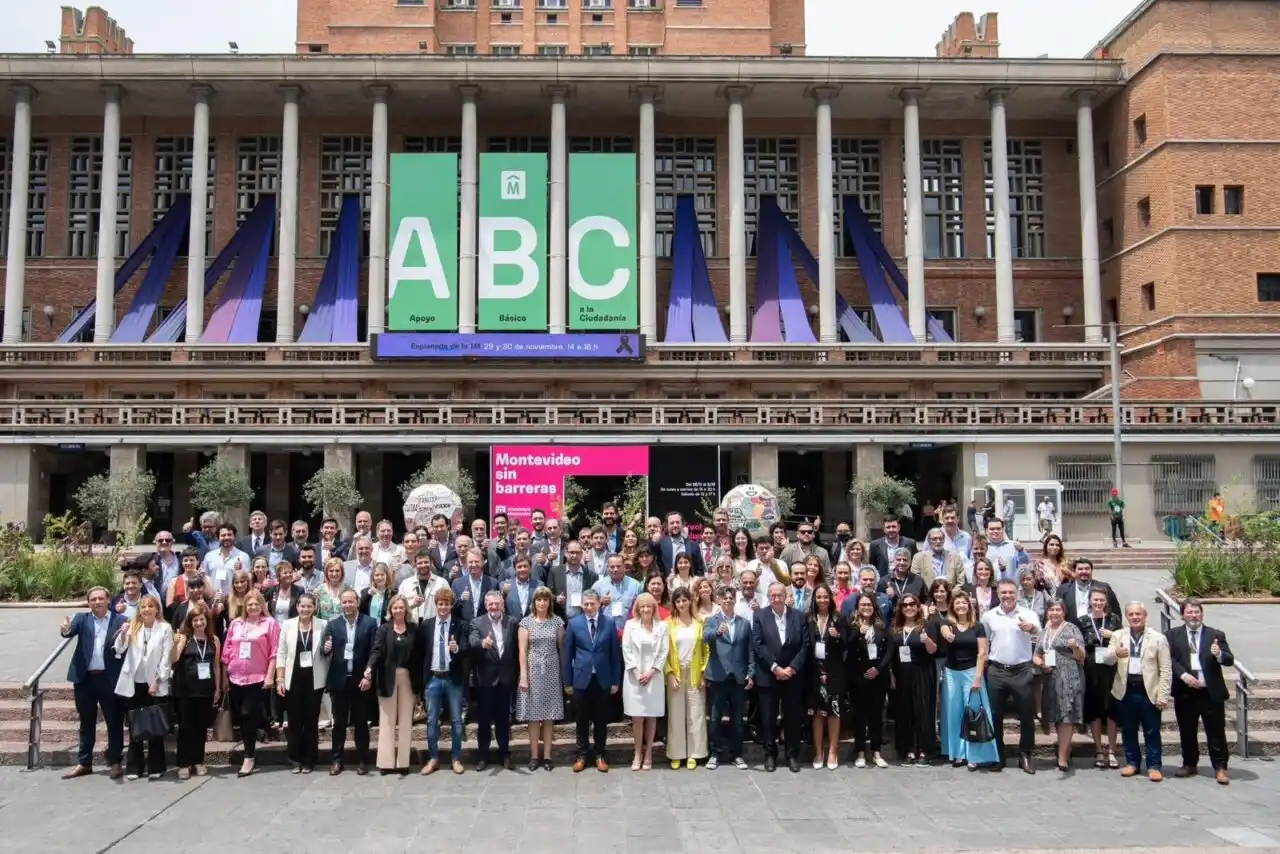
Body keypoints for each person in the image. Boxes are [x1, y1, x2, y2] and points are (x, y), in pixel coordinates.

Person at [60, 587, 128, 780]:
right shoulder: (82, 619)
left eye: (100, 598)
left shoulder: (120, 621)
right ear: (88, 602)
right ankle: (84, 762)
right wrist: (65, 629)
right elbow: (68, 631)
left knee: (114, 721)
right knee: (86, 721)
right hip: (85, 678)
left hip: (109, 678)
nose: (97, 602)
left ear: (108, 600)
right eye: (93, 599)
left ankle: (115, 761)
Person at [1167, 599, 1233, 784]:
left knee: (1216, 731)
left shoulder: (1215, 635)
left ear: (1202, 614)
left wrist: (1219, 654)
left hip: (1210, 692)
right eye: (1189, 612)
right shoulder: (1172, 635)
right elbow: (1169, 659)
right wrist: (1183, 675)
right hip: (1186, 691)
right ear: (1183, 615)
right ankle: (1189, 763)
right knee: (1187, 730)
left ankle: (1220, 767)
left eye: (1197, 612)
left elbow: (1229, 660)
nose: (1193, 615)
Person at [1107, 602, 1172, 781]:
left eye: (1138, 614)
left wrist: (1163, 695)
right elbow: (1106, 659)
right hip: (1126, 690)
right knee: (1128, 729)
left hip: (1148, 690)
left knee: (1152, 730)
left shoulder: (1158, 638)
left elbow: (1166, 669)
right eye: (1131, 615)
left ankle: (1153, 765)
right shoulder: (1118, 635)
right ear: (1127, 617)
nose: (1135, 617)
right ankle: (1132, 763)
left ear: (1145, 616)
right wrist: (1115, 654)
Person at [111, 594, 174, 781]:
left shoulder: (164, 628)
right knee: (134, 726)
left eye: (150, 606)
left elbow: (166, 658)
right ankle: (134, 766)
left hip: (153, 684)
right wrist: (123, 634)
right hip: (133, 683)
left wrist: (158, 680)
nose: (146, 610)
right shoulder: (132, 626)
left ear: (157, 609)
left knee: (154, 726)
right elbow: (119, 650)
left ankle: (156, 766)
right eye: (143, 607)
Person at [981, 579, 1041, 774]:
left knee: (1026, 715)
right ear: (998, 594)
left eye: (1011, 592)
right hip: (997, 670)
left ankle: (1026, 754)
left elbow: (1040, 636)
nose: (1008, 596)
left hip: (1022, 670)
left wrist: (1032, 629)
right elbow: (985, 641)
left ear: (1017, 593)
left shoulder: (1028, 614)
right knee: (996, 715)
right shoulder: (989, 616)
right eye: (1004, 592)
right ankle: (998, 755)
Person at [937, 591, 999, 770]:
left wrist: (978, 677)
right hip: (951, 673)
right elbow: (944, 630)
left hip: (972, 671)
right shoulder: (948, 623)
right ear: (952, 607)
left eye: (963, 603)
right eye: (957, 603)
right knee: (953, 713)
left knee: (974, 713)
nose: (960, 606)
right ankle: (957, 753)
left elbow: (982, 652)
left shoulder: (977, 626)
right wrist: (947, 634)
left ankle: (976, 756)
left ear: (969, 605)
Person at [221, 589, 279, 778]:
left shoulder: (269, 624)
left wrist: (271, 676)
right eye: (249, 604)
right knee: (243, 716)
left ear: (262, 605)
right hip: (236, 677)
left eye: (256, 604)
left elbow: (274, 652)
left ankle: (249, 756)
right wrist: (225, 675)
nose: (253, 607)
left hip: (258, 677)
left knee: (248, 714)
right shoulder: (236, 624)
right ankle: (262, 727)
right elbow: (227, 649)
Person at [562, 589, 622, 773]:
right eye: (585, 604)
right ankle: (582, 754)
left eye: (592, 604)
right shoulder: (574, 623)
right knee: (581, 719)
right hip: (581, 679)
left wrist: (615, 681)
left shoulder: (609, 622)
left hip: (602, 679)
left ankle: (599, 754)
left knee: (601, 719)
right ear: (582, 605)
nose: (589, 607)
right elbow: (567, 654)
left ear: (598, 604)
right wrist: (568, 682)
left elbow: (614, 654)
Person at [752, 582, 808, 773]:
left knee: (792, 717)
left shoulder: (799, 616)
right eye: (772, 595)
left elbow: (805, 645)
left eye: (779, 595)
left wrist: (792, 668)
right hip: (769, 675)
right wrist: (775, 668)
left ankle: (792, 755)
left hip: (793, 676)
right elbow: (758, 645)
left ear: (786, 596)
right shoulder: (760, 615)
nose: (776, 598)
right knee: (768, 718)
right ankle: (770, 755)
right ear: (768, 597)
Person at [324, 589, 377, 775]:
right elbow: (325, 649)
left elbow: (374, 650)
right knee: (339, 723)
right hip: (339, 681)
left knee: (361, 722)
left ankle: (363, 760)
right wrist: (326, 647)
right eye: (344, 602)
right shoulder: (333, 624)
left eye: (350, 601)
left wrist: (368, 674)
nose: (347, 605)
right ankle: (337, 760)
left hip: (360, 680)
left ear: (357, 602)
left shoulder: (369, 623)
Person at [417, 588, 468, 775]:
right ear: (435, 605)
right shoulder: (427, 626)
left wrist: (457, 649)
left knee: (456, 720)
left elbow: (466, 648)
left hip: (453, 678)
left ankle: (455, 758)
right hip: (433, 678)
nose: (443, 607)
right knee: (431, 720)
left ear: (451, 606)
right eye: (440, 603)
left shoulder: (460, 625)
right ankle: (434, 758)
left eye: (447, 604)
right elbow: (421, 653)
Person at [275, 592, 327, 774]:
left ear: (314, 608)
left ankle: (310, 759)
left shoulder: (323, 625)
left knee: (311, 721)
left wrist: (328, 649)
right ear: (297, 607)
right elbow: (281, 653)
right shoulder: (288, 625)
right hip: (292, 678)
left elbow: (327, 653)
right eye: (302, 606)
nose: (305, 609)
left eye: (309, 606)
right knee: (295, 721)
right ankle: (295, 758)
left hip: (314, 679)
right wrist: (280, 678)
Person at [365, 594, 417, 775]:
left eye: (401, 607)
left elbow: (420, 654)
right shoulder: (384, 629)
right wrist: (369, 668)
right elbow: (376, 650)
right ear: (390, 610)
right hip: (387, 677)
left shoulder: (413, 628)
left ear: (406, 609)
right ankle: (386, 762)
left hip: (408, 677)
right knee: (387, 721)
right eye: (395, 607)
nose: (398, 611)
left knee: (405, 721)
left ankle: (403, 762)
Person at [703, 585, 753, 770]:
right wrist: (717, 632)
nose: (728, 601)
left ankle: (736, 754)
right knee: (715, 718)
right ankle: (715, 753)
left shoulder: (744, 623)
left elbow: (750, 650)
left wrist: (751, 671)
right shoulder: (712, 621)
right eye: (724, 598)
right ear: (719, 601)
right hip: (718, 676)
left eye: (731, 598)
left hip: (738, 677)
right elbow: (705, 637)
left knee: (737, 719)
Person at [470, 590, 520, 771]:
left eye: (497, 604)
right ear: (485, 605)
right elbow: (472, 641)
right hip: (485, 679)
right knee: (483, 720)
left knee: (503, 719)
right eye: (490, 604)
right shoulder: (477, 622)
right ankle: (483, 755)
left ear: (502, 605)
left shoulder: (512, 622)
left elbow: (517, 648)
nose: (494, 607)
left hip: (506, 679)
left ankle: (505, 753)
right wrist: (483, 643)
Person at [1034, 599, 1087, 772]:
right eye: (1051, 610)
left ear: (1064, 612)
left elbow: (1081, 655)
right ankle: (1065, 747)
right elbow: (1036, 654)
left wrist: (1075, 647)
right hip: (1050, 677)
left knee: (1066, 716)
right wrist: (1041, 663)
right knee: (1056, 715)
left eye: (1058, 610)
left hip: (1068, 676)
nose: (1054, 613)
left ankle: (1063, 756)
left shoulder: (1072, 629)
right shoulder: (1044, 631)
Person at [517, 587, 565, 771]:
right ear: (534, 602)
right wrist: (523, 676)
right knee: (534, 716)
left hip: (552, 672)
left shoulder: (557, 622)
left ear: (549, 603)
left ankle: (547, 756)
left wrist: (563, 675)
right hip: (533, 672)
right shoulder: (525, 623)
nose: (542, 603)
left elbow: (562, 649)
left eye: (545, 600)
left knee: (549, 716)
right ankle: (534, 755)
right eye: (539, 600)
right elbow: (522, 651)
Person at [172, 603, 222, 780]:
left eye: (202, 619)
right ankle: (184, 763)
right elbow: (174, 659)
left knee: (201, 727)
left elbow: (216, 665)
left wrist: (218, 687)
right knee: (186, 727)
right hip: (186, 690)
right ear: (190, 622)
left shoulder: (214, 640)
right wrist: (175, 643)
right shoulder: (185, 639)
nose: (199, 623)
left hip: (205, 689)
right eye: (195, 620)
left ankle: (199, 760)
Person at [888, 593, 938, 766]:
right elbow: (891, 654)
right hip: (901, 675)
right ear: (900, 608)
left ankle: (925, 750)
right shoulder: (895, 627)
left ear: (918, 607)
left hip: (922, 673)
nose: (909, 608)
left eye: (912, 604)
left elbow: (933, 651)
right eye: (905, 605)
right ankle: (908, 749)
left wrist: (927, 641)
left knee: (923, 711)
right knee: (904, 712)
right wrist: (892, 675)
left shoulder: (926, 626)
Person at [622, 591, 670, 770]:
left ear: (654, 607)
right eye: (642, 606)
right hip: (634, 677)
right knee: (637, 717)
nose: (646, 609)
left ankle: (648, 752)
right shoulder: (630, 625)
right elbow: (626, 649)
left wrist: (651, 672)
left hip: (654, 677)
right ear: (638, 608)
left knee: (651, 716)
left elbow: (664, 651)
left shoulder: (662, 626)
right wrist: (636, 672)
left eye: (649, 606)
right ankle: (637, 753)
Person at [664, 587, 709, 770]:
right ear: (674, 604)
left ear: (690, 601)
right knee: (676, 714)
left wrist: (704, 671)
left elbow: (707, 650)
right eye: (678, 601)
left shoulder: (699, 623)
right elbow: (663, 652)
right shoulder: (668, 624)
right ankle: (676, 754)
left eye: (684, 600)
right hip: (676, 672)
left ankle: (694, 753)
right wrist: (670, 673)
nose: (681, 604)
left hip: (695, 672)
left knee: (696, 713)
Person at [1078, 588, 1122, 769]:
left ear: (1106, 601)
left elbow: (1124, 640)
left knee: (1111, 711)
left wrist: (1112, 635)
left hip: (1111, 669)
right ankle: (1098, 749)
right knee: (1094, 710)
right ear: (1090, 601)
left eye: (1101, 600)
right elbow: (1079, 645)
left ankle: (1111, 749)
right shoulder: (1082, 621)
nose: (1098, 603)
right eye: (1095, 600)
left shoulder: (1114, 620)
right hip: (1091, 669)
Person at [847, 593, 889, 769]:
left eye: (869, 605)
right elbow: (846, 647)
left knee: (876, 715)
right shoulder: (852, 626)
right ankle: (860, 752)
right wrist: (858, 633)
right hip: (858, 676)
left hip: (877, 676)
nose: (866, 608)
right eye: (863, 605)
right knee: (859, 716)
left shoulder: (881, 626)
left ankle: (876, 751)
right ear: (857, 608)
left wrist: (878, 669)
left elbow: (889, 650)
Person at [806, 583, 846, 770]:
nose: (822, 600)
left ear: (831, 599)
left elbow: (847, 644)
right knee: (816, 714)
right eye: (819, 597)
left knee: (834, 712)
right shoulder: (809, 619)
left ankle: (833, 751)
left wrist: (837, 636)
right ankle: (818, 752)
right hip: (814, 673)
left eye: (825, 597)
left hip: (834, 672)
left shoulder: (838, 619)